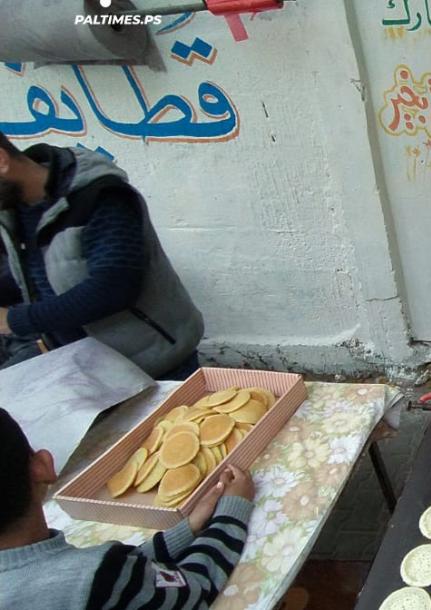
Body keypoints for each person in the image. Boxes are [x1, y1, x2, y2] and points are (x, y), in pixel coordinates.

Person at [0, 407, 254, 609]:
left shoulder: (100, 575)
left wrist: (186, 530)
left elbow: (126, 578)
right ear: (42, 466)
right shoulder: (95, 577)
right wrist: (231, 511)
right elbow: (194, 588)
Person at [0, 131, 204, 379]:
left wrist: (14, 320)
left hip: (154, 361)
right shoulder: (14, 212)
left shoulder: (99, 196)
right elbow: (31, 278)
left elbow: (112, 288)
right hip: (88, 368)